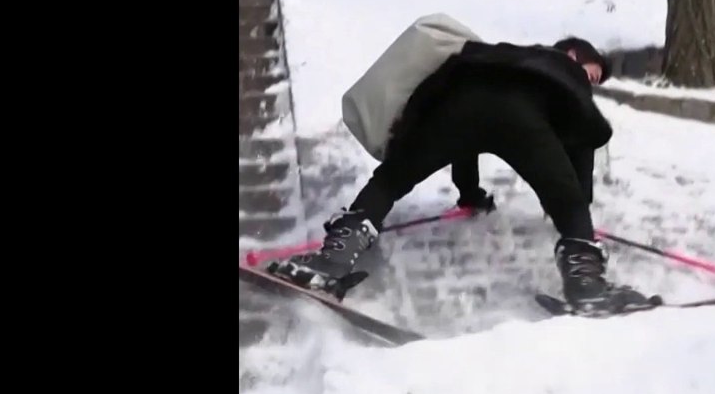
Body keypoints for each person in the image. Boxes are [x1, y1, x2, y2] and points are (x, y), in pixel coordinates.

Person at [269, 22, 656, 315]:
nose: (592, 81)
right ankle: (585, 284)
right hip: (522, 120)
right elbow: (581, 141)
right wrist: (578, 217)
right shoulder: (561, 70)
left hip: (453, 106)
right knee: (568, 202)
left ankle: (333, 258)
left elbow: (468, 139)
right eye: (592, 72)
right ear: (573, 54)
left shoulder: (505, 55)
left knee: (390, 179)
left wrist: (469, 193)